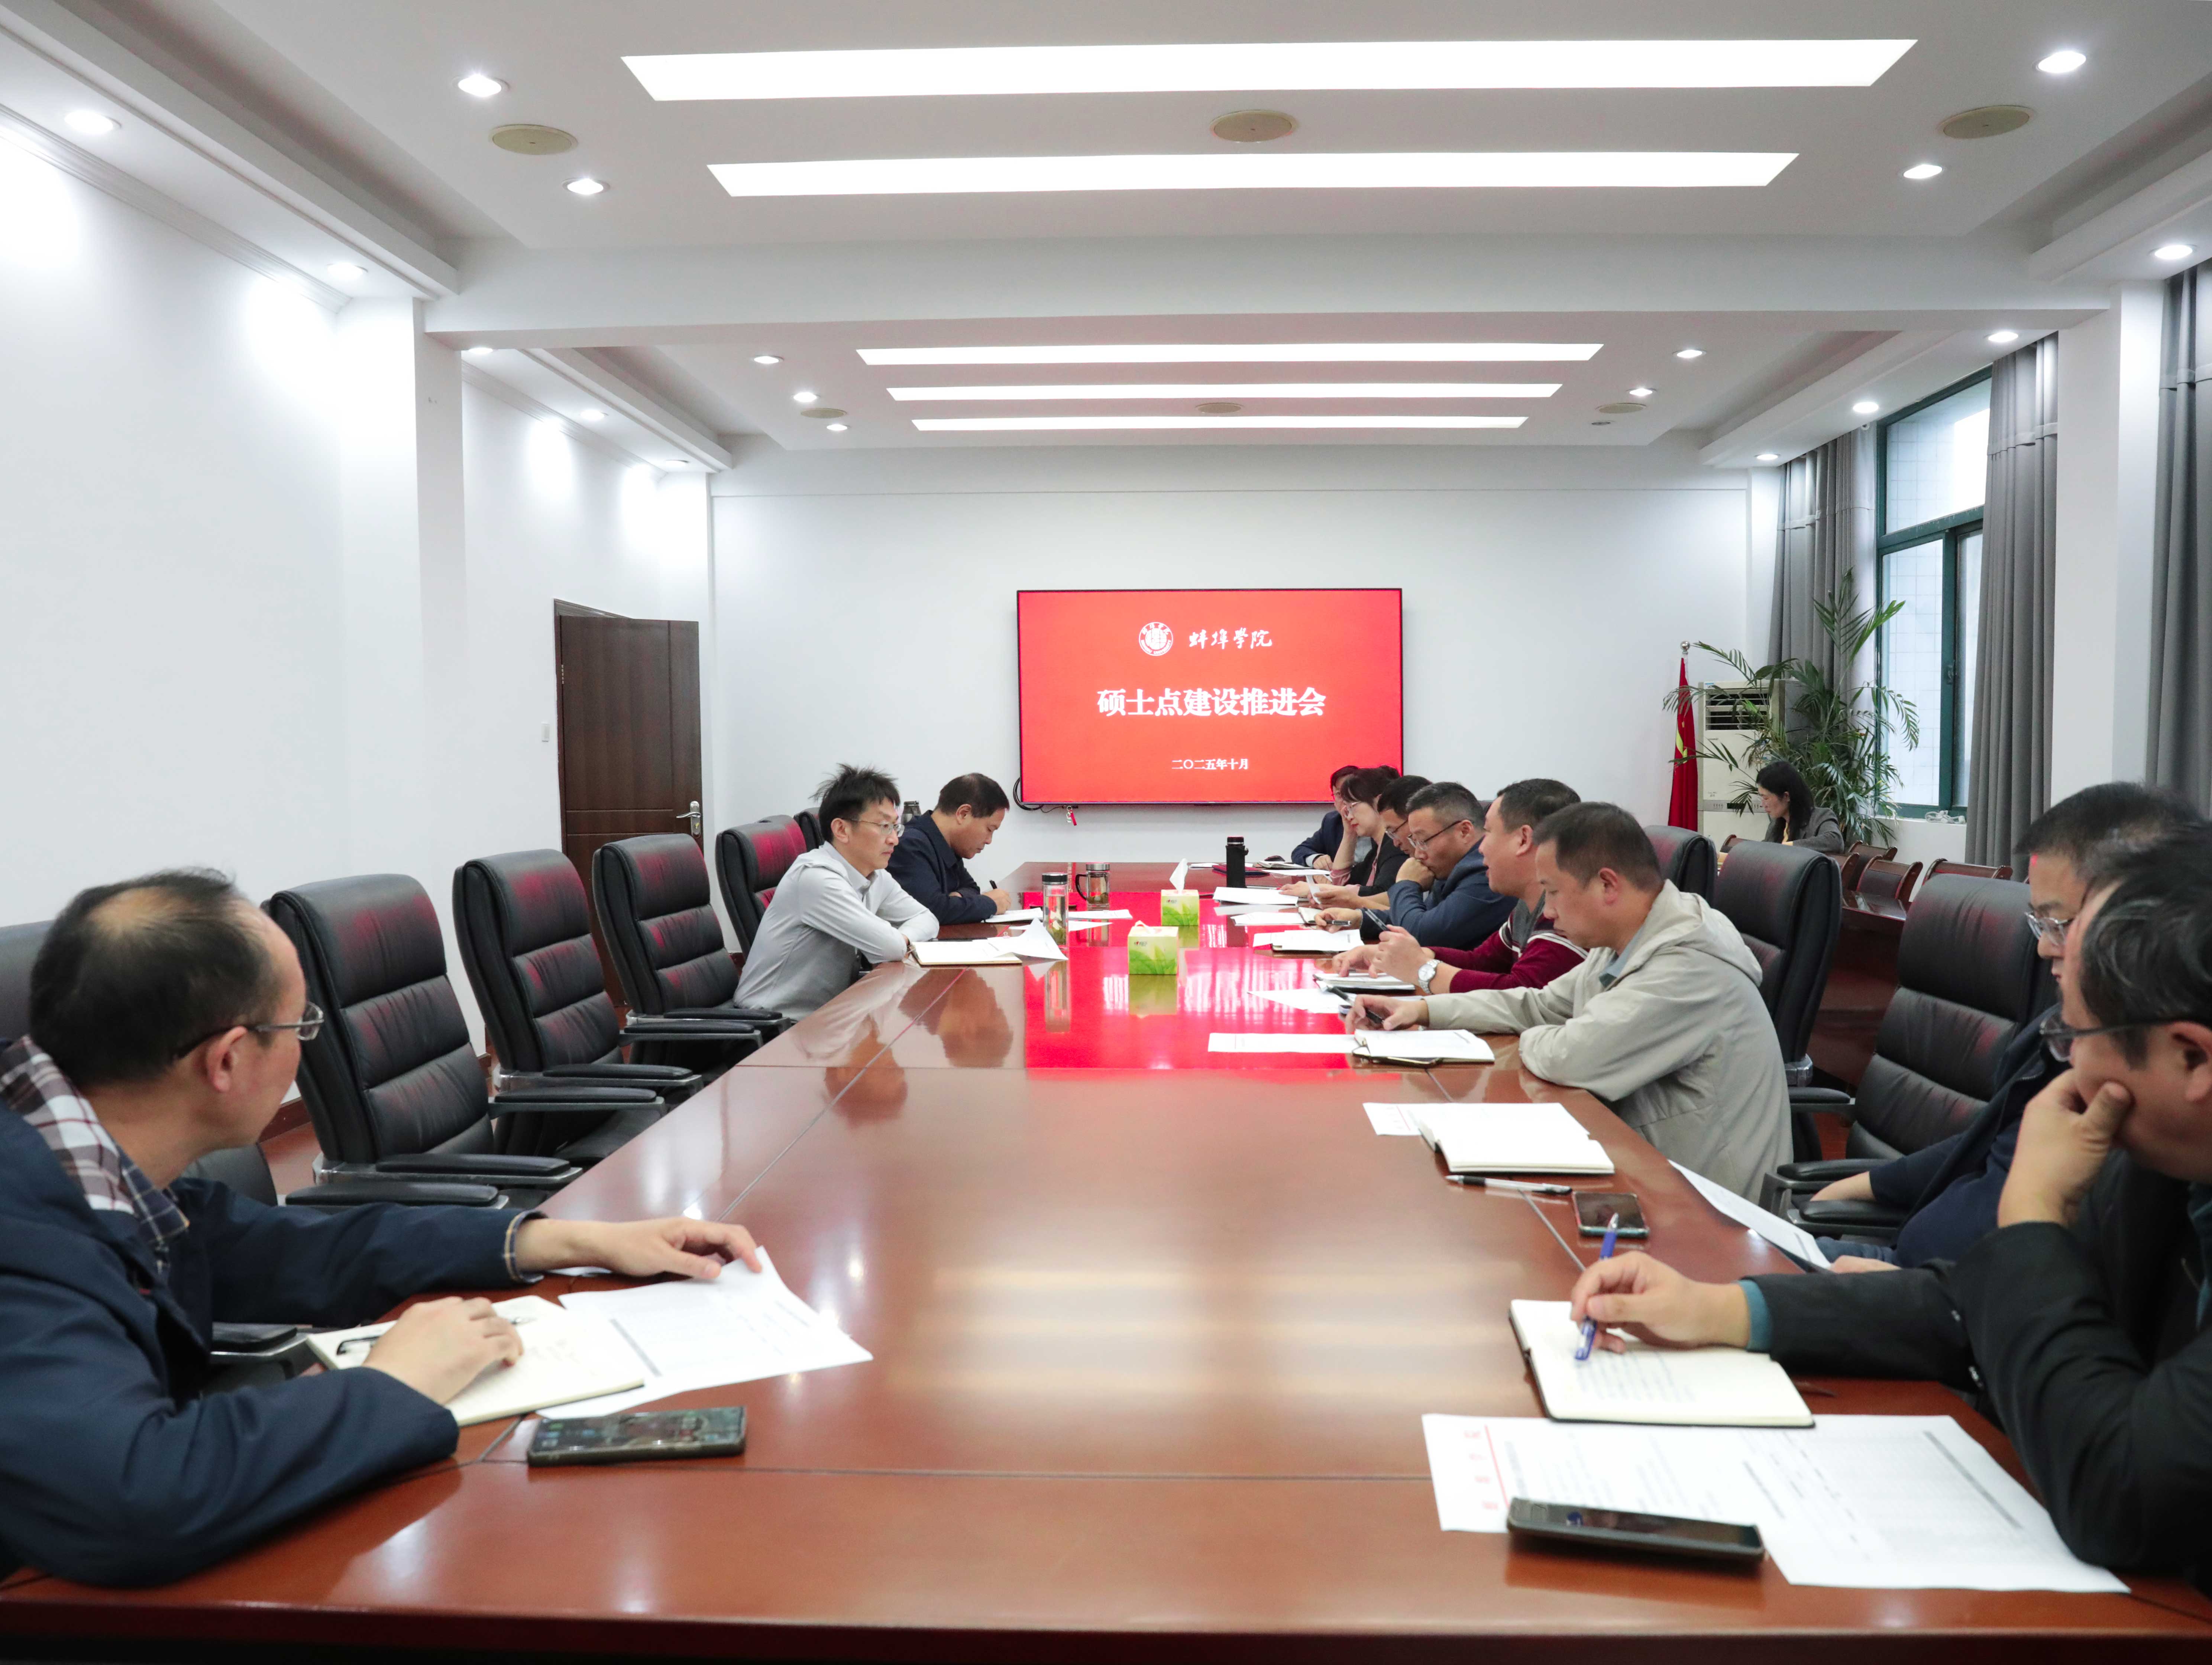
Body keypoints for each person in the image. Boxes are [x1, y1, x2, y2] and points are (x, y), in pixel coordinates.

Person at [0, 871, 766, 1588]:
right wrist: (392, 1383)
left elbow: (295, 1248)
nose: (305, 1044)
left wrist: (564, 1240)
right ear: (227, 1060)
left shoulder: (85, 1157)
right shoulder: (22, 1229)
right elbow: (138, 1495)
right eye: (300, 1024)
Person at [1568, 831, 2212, 1591]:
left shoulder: (2132, 1146)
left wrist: (2033, 1217)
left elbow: (2120, 1493)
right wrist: (1719, 1309)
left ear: (2192, 1058)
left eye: (2071, 1035)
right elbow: (1964, 1304)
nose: (2061, 1065)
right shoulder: (2157, 1159)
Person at [1804, 782, 2202, 1270]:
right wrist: (1871, 1185)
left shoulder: (2150, 1099)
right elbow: (1987, 1141)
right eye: (2039, 924)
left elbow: (2062, 1292)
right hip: (1927, 1277)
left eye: (2059, 924)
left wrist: (1930, 1297)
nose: (2044, 948)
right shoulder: (2052, 1032)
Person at [1354, 802, 1789, 1197]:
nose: (1548, 911)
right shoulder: (1625, 938)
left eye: (1554, 891)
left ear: (1607, 885)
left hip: (1708, 1208)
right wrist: (1423, 1010)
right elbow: (1540, 1005)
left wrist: (1536, 1036)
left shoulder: (1687, 967)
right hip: (1639, 1161)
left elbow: (1571, 1056)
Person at [1329, 778, 1586, 997]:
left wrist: (1423, 969)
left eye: (1490, 833)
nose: (1482, 847)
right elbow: (1482, 960)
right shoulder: (1524, 905)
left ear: (1524, 839)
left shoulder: (1564, 912)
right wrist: (1398, 955)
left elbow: (1523, 993)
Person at [735, 764, 941, 1018]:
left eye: (895, 827)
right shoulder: (816, 879)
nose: (894, 839)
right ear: (842, 830)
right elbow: (889, 948)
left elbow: (927, 919)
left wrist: (903, 939)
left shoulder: (874, 875)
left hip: (828, 1017)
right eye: (884, 826)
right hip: (770, 1026)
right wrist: (898, 941)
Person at [1381, 781, 1514, 949]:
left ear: (1464, 831)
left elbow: (1420, 935)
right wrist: (1361, 918)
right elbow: (1420, 916)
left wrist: (1406, 884)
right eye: (1415, 842)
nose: (1418, 854)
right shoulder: (1453, 867)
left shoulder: (1485, 872)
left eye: (1423, 841)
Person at [887, 773, 1013, 926]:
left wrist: (956, 900)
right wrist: (990, 903)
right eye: (990, 829)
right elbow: (932, 911)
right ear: (963, 814)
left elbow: (971, 888)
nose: (989, 840)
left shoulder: (948, 843)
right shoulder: (910, 845)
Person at [1305, 767, 1407, 916]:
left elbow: (1385, 894)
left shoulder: (1395, 845)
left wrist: (1326, 892)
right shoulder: (1376, 850)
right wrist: (1349, 834)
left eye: (1352, 807)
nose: (1349, 816)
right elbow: (1341, 882)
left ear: (1378, 803)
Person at [1755, 759, 1844, 853]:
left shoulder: (1820, 817)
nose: (1763, 804)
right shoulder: (1775, 826)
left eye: (1766, 798)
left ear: (1787, 797)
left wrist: (1786, 847)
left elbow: (1835, 841)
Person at [1287, 764, 1364, 868]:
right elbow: (1300, 851)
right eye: (1339, 795)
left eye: (1350, 793)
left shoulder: (1377, 822)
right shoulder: (1332, 822)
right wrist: (1316, 859)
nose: (1346, 801)